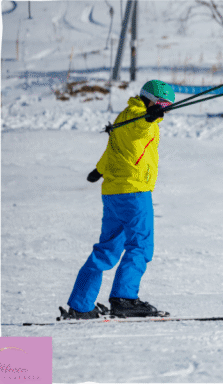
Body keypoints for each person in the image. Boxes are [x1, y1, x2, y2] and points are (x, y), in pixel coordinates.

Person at [61, 80, 174, 319]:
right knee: (140, 246)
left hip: (114, 193)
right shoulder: (139, 117)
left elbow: (116, 148)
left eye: (169, 105)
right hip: (135, 192)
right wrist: (149, 117)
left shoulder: (124, 116)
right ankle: (124, 298)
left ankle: (81, 305)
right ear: (149, 99)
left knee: (107, 249)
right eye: (163, 103)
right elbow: (139, 128)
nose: (165, 108)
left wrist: (99, 169)